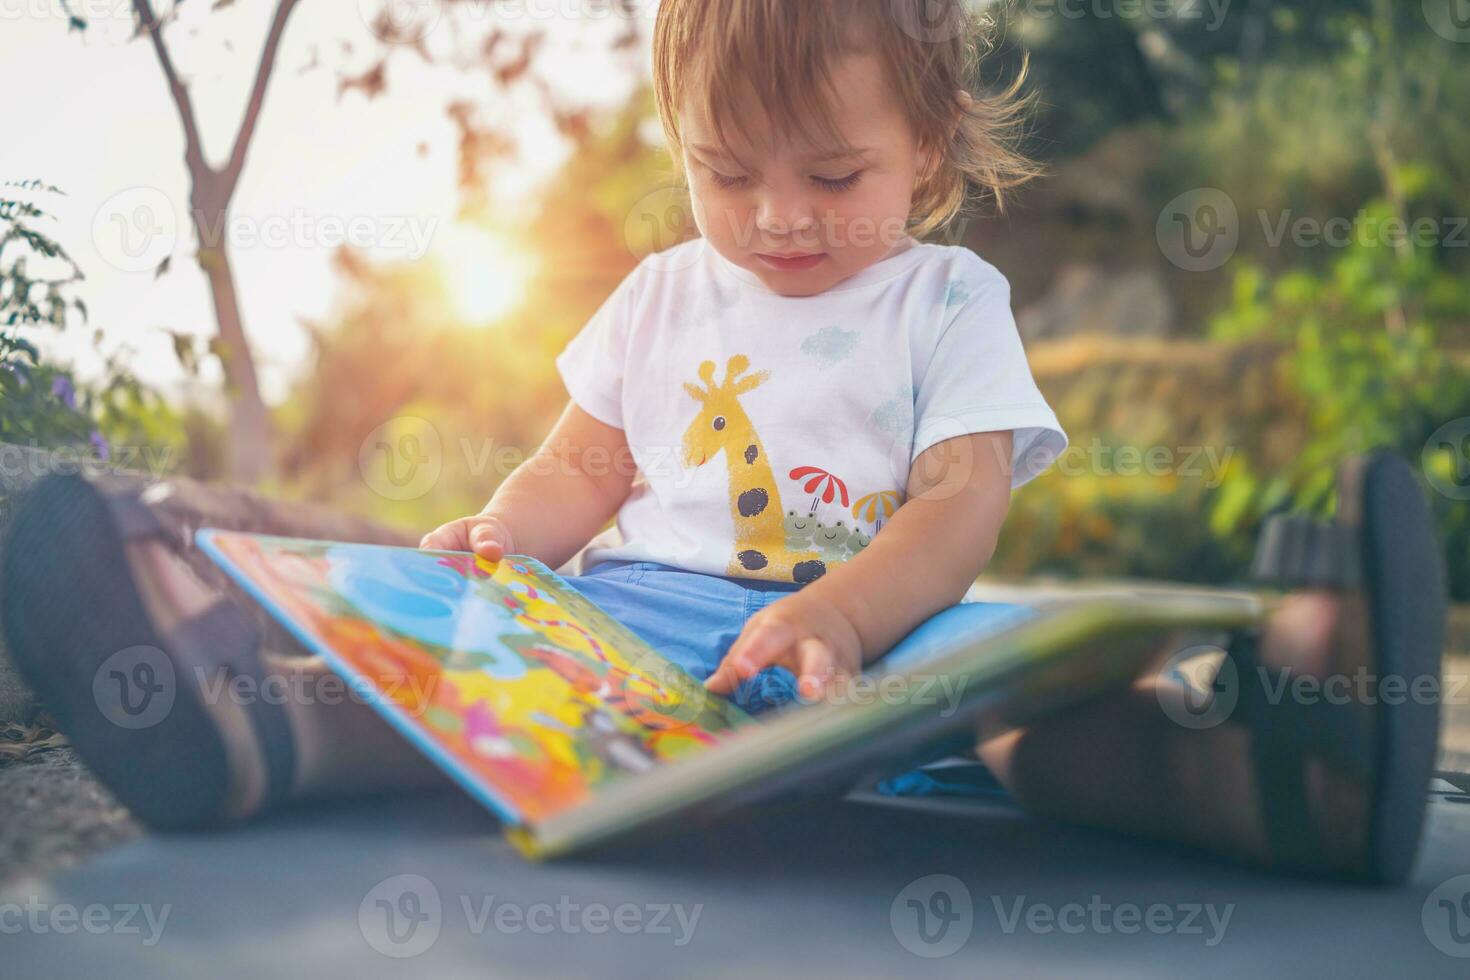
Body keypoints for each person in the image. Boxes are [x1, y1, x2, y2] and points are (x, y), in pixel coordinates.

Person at [3, 0, 1445, 884]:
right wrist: (507, 533)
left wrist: (838, 613)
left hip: (883, 649)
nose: (776, 216)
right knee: (476, 676)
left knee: (1031, 722)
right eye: (723, 170)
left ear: (930, 150)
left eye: (833, 172)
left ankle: (1273, 779)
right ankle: (243, 719)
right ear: (679, 142)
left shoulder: (947, 295)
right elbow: (584, 465)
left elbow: (959, 508)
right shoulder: (661, 296)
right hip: (636, 635)